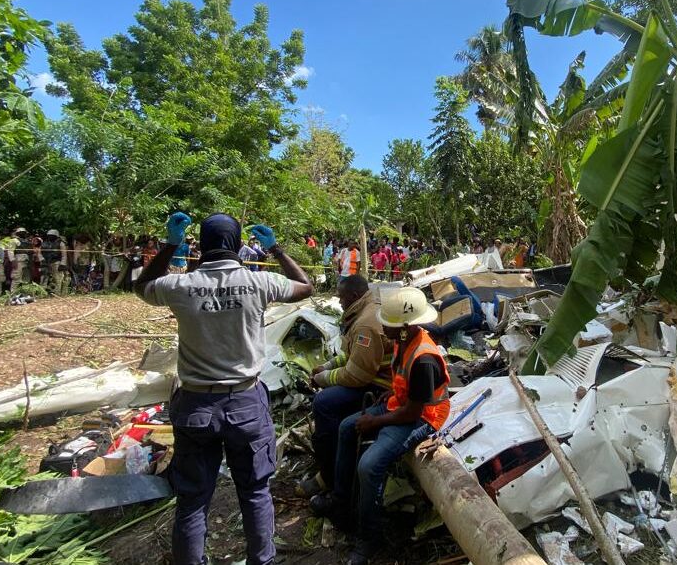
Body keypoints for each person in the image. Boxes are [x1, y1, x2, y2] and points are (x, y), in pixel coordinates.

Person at [135, 212, 313, 565]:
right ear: (236, 244)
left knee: (192, 500)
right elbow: (306, 286)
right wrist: (275, 248)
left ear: (201, 243)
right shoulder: (259, 283)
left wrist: (171, 244)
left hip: (196, 405)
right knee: (255, 492)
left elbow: (141, 287)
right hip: (246, 401)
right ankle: (261, 560)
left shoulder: (180, 286)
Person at [312, 287, 449, 565]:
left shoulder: (423, 359)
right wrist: (391, 396)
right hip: (402, 405)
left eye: (387, 323)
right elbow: (404, 386)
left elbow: (412, 413)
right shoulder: (403, 340)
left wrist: (375, 420)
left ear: (405, 327)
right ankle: (341, 499)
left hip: (423, 417)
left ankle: (369, 538)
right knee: (346, 428)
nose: (381, 327)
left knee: (369, 465)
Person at [300, 275, 393, 498]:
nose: (339, 301)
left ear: (353, 296)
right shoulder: (364, 311)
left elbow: (356, 375)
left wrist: (323, 378)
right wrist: (329, 365)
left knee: (323, 403)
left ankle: (330, 475)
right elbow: (353, 357)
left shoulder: (365, 324)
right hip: (372, 377)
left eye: (341, 297)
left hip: (380, 387)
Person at [40, 229, 68, 295]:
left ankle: (57, 293)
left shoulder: (61, 243)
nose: (50, 237)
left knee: (58, 278)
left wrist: (62, 264)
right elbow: (40, 253)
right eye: (49, 235)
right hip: (46, 263)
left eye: (52, 235)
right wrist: (42, 260)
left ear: (56, 236)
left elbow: (64, 254)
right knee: (45, 278)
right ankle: (43, 293)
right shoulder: (45, 243)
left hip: (56, 262)